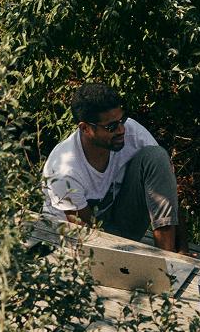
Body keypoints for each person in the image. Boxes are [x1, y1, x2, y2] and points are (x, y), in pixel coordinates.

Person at [42, 83, 184, 251]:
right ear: (85, 128)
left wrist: (182, 250)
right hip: (71, 241)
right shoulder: (64, 169)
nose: (121, 129)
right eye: (111, 126)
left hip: (117, 226)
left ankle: (168, 258)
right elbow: (87, 235)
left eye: (122, 120)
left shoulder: (133, 133)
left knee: (156, 156)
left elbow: (165, 188)